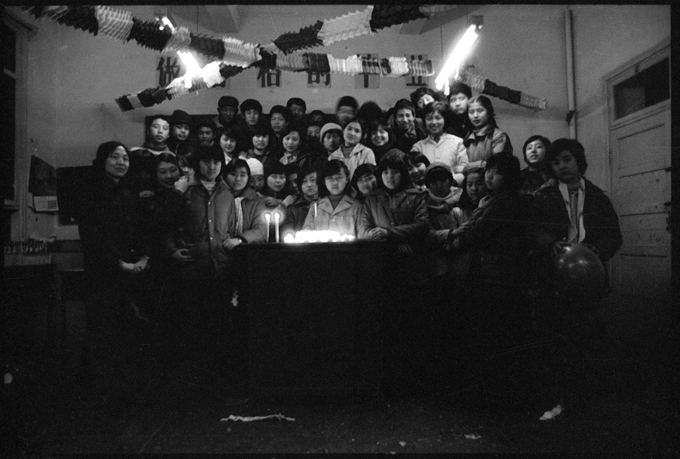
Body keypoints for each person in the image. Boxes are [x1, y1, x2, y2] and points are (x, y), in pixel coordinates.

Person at [529, 139, 622, 413]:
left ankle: (588, 397)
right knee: (556, 337)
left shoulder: (597, 196)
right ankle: (557, 395)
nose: (562, 166)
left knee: (588, 335)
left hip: (589, 280)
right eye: (556, 162)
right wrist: (549, 244)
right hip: (554, 279)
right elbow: (529, 230)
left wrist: (597, 249)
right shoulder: (542, 196)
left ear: (578, 161)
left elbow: (614, 236)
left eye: (567, 160)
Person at [447, 153, 530, 397]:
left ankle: (494, 393)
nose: (490, 176)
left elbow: (476, 233)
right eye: (488, 171)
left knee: (495, 333)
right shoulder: (495, 199)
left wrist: (475, 217)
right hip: (496, 273)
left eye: (497, 172)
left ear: (510, 176)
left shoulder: (504, 201)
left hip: (499, 275)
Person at [75, 141, 152, 400]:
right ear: (102, 161)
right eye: (114, 157)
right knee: (104, 333)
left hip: (132, 271)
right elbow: (93, 235)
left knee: (128, 332)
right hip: (104, 272)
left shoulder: (130, 192)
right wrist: (118, 263)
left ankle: (127, 394)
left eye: (125, 158)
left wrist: (143, 257)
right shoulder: (90, 191)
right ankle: (104, 396)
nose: (121, 162)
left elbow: (141, 230)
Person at [411, 101, 468, 185]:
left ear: (444, 119)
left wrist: (449, 182)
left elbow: (464, 170)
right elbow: (413, 173)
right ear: (424, 121)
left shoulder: (458, 143)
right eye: (429, 118)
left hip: (453, 191)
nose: (434, 122)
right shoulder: (418, 147)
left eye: (438, 118)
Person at [303, 159, 362, 237]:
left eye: (339, 177)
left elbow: (362, 235)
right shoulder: (315, 207)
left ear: (347, 179)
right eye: (330, 178)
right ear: (324, 180)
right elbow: (306, 233)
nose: (335, 182)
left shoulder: (357, 207)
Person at [464, 95, 513, 168]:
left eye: (480, 111)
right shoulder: (469, 139)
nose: (475, 115)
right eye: (471, 112)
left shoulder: (499, 137)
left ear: (489, 112)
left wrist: (467, 167)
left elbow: (496, 165)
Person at [282, 163, 319, 234]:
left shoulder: (325, 204)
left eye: (313, 180)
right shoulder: (293, 209)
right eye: (305, 181)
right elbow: (287, 234)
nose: (309, 185)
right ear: (300, 185)